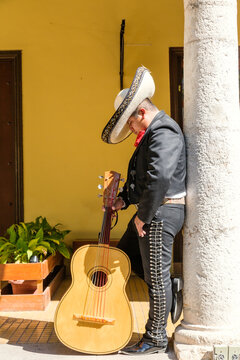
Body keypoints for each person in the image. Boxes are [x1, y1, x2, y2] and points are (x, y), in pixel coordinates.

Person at [101, 66, 186, 355]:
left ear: (141, 112)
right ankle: (171, 286)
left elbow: (160, 178)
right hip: (152, 211)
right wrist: (124, 200)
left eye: (131, 122)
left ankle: (155, 338)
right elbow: (145, 178)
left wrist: (143, 215)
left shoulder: (164, 130)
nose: (131, 129)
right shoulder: (153, 133)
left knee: (155, 278)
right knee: (125, 256)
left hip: (161, 213)